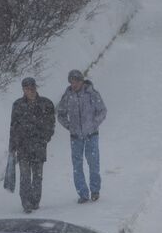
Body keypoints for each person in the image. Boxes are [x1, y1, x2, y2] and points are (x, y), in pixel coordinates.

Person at [57, 69, 106, 203]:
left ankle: (95, 191)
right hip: (75, 137)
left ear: (82, 81)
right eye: (72, 82)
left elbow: (102, 111)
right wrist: (69, 126)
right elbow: (60, 113)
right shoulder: (67, 96)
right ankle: (83, 194)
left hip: (92, 135)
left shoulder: (92, 93)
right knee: (77, 166)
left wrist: (94, 124)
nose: (74, 84)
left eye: (76, 81)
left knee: (93, 164)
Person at [9, 77, 56, 213]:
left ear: (36, 87)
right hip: (23, 146)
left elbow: (51, 123)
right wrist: (12, 146)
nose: (31, 91)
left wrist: (45, 138)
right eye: (27, 88)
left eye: (32, 88)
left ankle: (35, 201)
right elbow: (13, 127)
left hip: (39, 146)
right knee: (24, 176)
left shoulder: (46, 104)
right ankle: (26, 202)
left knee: (37, 176)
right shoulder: (17, 105)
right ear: (23, 90)